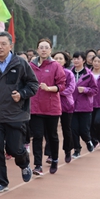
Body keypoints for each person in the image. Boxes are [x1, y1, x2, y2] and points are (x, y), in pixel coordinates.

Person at [0, 31, 38, 192]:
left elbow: (33, 85)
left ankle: (24, 163)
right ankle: (1, 181)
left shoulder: (21, 64)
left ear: (11, 46)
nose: (0, 47)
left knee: (14, 149)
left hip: (15, 113)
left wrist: (22, 94)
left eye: (4, 44)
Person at [28, 39, 66, 175]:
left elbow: (62, 85)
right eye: (41, 47)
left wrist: (49, 88)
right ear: (37, 50)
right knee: (37, 136)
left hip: (51, 107)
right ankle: (38, 165)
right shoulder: (31, 65)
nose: (43, 50)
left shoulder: (56, 65)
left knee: (52, 136)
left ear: (50, 50)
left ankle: (54, 159)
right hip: (35, 107)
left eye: (46, 47)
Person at [70, 51, 98, 159]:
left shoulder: (89, 75)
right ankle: (77, 149)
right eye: (74, 58)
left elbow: (95, 90)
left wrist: (85, 90)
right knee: (74, 129)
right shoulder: (69, 73)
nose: (76, 61)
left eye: (78, 58)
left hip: (85, 107)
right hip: (71, 106)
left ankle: (88, 140)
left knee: (84, 130)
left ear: (84, 60)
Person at [51, 51, 76, 164]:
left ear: (65, 61)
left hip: (66, 104)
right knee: (51, 130)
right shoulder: (50, 72)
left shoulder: (69, 73)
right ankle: (51, 154)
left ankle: (67, 150)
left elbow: (71, 88)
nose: (58, 60)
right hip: (52, 104)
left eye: (61, 58)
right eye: (56, 58)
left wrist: (56, 91)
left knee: (66, 129)